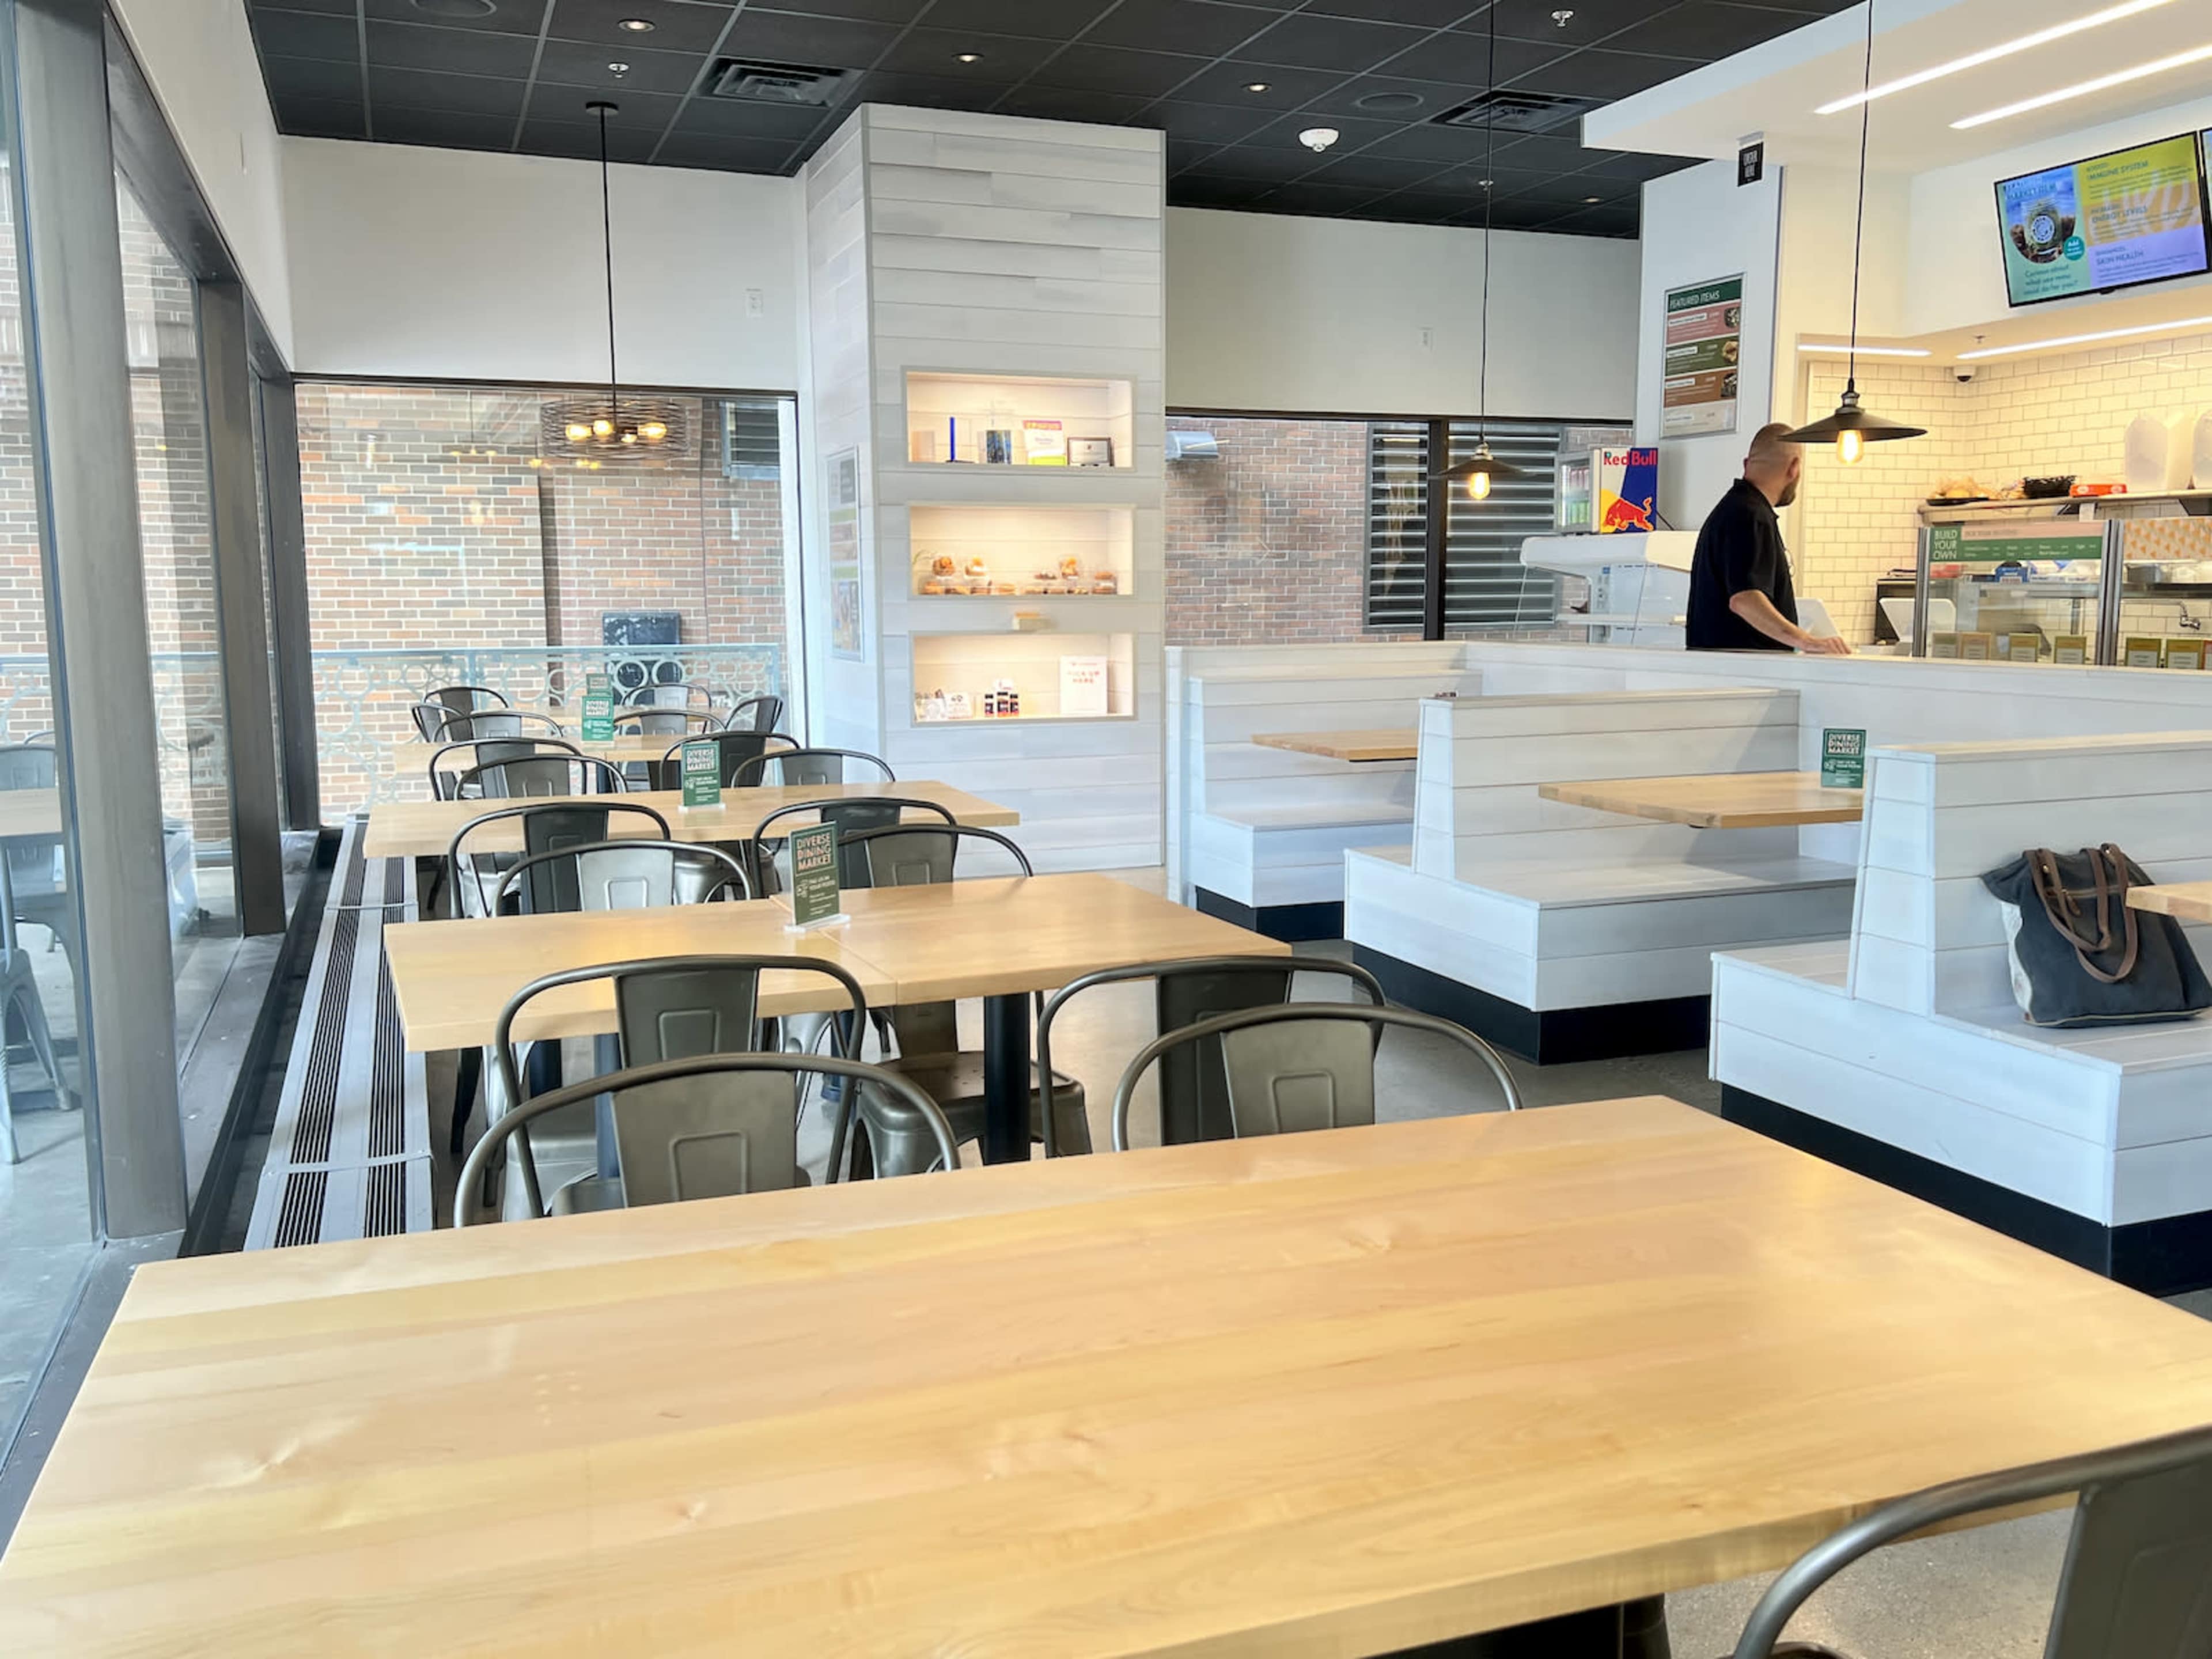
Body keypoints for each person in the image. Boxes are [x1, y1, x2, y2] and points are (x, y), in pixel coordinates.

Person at [1685, 422, 1850, 654]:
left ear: (1746, 464)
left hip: (1722, 670)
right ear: (1794, 468)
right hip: (1745, 675)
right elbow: (1745, 599)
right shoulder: (1751, 515)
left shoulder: (1732, 509)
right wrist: (1806, 641)